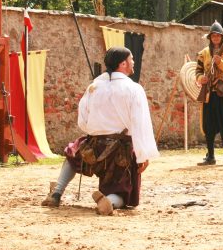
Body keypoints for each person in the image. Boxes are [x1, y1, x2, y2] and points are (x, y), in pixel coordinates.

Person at [41, 47, 160, 215]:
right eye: (131, 59)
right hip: (121, 153)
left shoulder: (94, 86)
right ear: (123, 63)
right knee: (125, 194)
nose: (134, 62)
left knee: (74, 151)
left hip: (93, 149)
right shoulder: (134, 89)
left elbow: (83, 120)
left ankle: (56, 192)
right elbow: (140, 124)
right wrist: (142, 155)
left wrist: (96, 132)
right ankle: (109, 201)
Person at [195, 21, 223, 165]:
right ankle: (210, 156)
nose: (215, 38)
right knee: (209, 125)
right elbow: (198, 70)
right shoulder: (203, 53)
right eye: (213, 36)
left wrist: (221, 63)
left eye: (217, 35)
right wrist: (200, 78)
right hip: (209, 93)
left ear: (221, 37)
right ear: (210, 37)